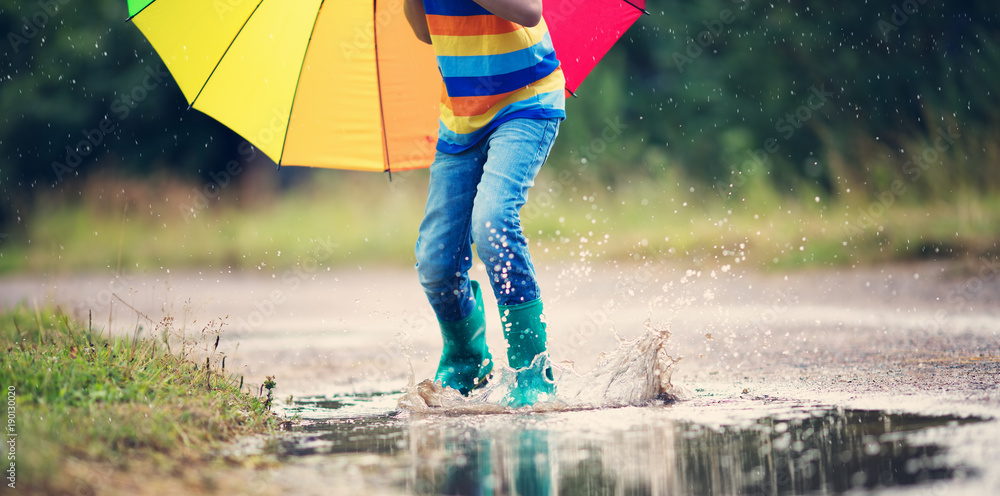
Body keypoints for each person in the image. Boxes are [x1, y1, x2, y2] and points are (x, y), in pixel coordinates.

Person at [404, 0, 565, 406]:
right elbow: (425, 31)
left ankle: (532, 370)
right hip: (461, 118)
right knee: (436, 261)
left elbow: (529, 11)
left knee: (492, 222)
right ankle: (467, 360)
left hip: (525, 103)